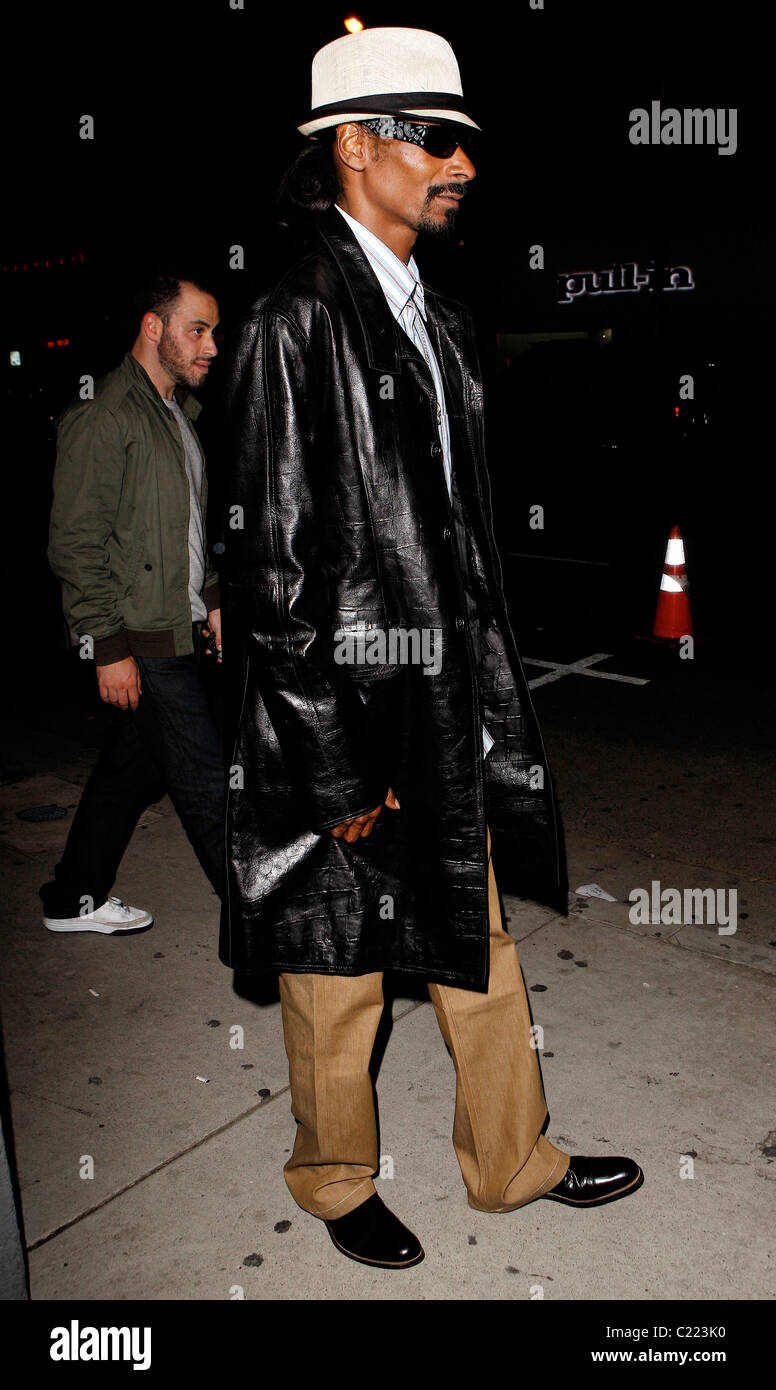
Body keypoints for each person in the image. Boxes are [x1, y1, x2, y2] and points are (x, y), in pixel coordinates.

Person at [219, 26, 643, 1269]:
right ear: (355, 148)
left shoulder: (443, 323)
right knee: (337, 969)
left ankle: (511, 1159)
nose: (460, 162)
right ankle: (332, 1173)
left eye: (465, 140)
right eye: (433, 138)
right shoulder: (291, 321)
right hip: (342, 713)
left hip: (444, 701)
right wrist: (332, 767)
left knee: (479, 938)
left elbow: (449, 543)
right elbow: (271, 572)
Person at [41, 276, 226, 934]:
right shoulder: (106, 412)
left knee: (131, 770)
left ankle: (73, 898)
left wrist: (209, 599)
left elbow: (186, 531)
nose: (211, 346)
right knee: (208, 782)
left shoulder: (177, 414)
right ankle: (267, 920)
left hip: (173, 624)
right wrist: (107, 649)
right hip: (141, 638)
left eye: (213, 331)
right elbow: (75, 543)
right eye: (196, 330)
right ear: (154, 328)